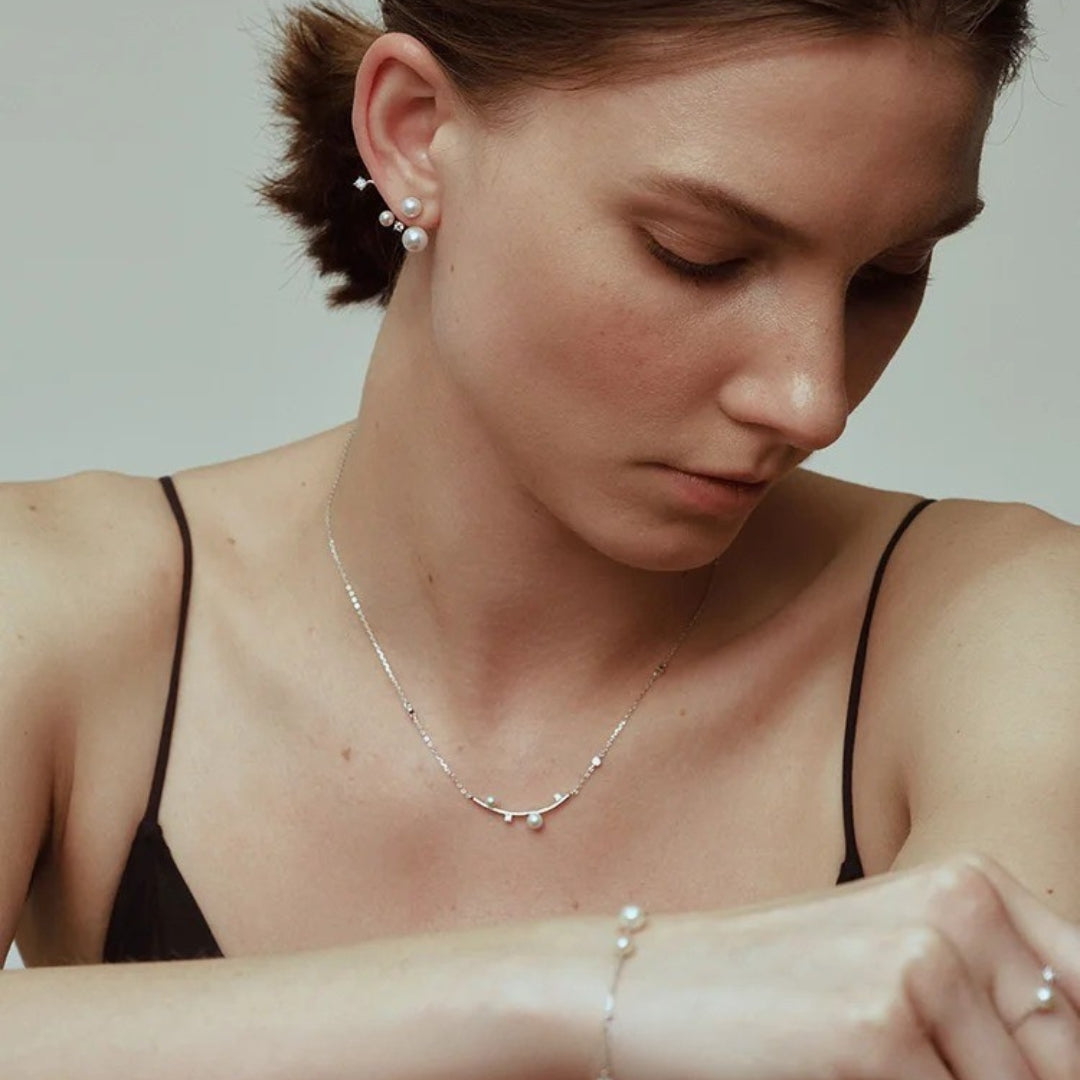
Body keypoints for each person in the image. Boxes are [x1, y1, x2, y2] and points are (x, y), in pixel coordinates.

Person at [1, 0, 1078, 1076]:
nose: (813, 400)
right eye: (699, 255)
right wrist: (600, 991)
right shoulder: (62, 605)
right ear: (415, 132)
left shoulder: (998, 631)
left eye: (889, 275)